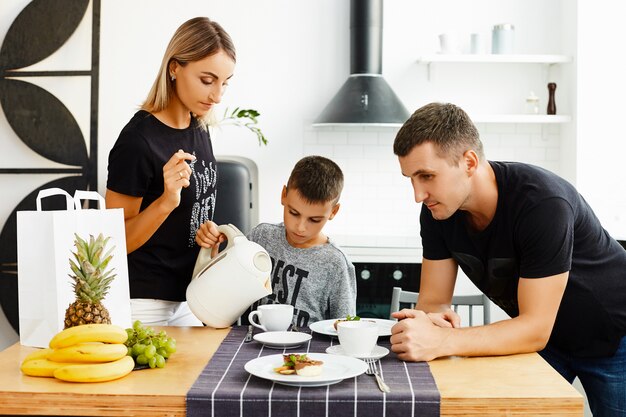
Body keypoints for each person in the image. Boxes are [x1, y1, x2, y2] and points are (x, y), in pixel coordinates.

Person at [390, 102, 626, 416]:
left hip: (614, 336)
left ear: (469, 162)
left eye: (427, 176)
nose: (418, 194)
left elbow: (534, 327)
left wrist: (443, 340)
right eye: (411, 179)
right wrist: (431, 322)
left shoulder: (542, 203)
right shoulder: (437, 212)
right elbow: (433, 301)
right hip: (545, 341)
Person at [105, 17, 235, 326]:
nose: (217, 95)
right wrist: (166, 201)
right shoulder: (137, 141)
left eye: (225, 83)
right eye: (207, 80)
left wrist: (205, 232)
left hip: (191, 299)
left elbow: (188, 217)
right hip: (144, 306)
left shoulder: (199, 127)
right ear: (175, 68)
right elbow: (113, 241)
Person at [246, 156, 357, 328]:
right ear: (284, 195)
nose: (301, 227)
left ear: (333, 211)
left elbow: (346, 326)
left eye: (314, 220)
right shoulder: (261, 237)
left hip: (307, 353)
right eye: (294, 213)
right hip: (254, 344)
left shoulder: (335, 262)